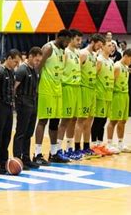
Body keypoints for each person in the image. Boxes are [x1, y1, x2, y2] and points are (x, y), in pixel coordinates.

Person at [33, 29, 72, 166]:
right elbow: (37, 67)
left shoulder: (62, 51)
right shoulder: (49, 48)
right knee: (43, 121)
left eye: (69, 41)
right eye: (66, 40)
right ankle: (37, 153)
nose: (67, 44)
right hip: (46, 89)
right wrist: (35, 87)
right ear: (59, 37)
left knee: (55, 122)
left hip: (57, 90)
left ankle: (54, 153)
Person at [0, 49, 22, 174]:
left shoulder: (12, 72)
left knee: (6, 136)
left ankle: (3, 162)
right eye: (15, 62)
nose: (16, 65)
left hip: (8, 107)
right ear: (9, 58)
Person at [75, 34, 105, 159]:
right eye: (99, 45)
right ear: (92, 42)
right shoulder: (83, 53)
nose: (100, 48)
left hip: (92, 90)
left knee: (89, 120)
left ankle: (86, 147)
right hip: (83, 89)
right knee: (81, 120)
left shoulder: (94, 56)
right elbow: (76, 70)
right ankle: (77, 148)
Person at [13, 47, 42, 170]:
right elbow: (14, 87)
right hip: (23, 103)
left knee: (29, 133)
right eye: (36, 60)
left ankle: (26, 158)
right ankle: (17, 158)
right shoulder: (22, 70)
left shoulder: (34, 70)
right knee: (21, 132)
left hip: (33, 103)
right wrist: (16, 103)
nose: (38, 62)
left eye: (39, 60)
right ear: (30, 57)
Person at [57, 29, 83, 162]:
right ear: (71, 39)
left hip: (76, 88)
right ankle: (58, 149)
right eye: (77, 39)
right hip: (67, 87)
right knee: (65, 120)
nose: (80, 42)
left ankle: (69, 148)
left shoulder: (77, 53)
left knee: (73, 119)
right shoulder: (65, 52)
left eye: (81, 40)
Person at [106, 49, 131, 154]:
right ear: (126, 56)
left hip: (125, 95)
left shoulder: (126, 67)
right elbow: (111, 82)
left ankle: (120, 143)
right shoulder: (117, 66)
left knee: (123, 120)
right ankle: (109, 144)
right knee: (113, 120)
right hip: (117, 95)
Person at [90, 39, 116, 155]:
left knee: (104, 120)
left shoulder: (110, 61)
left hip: (108, 95)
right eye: (109, 45)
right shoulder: (99, 60)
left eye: (113, 46)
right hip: (100, 94)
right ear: (103, 47)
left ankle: (101, 144)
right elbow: (94, 76)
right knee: (98, 120)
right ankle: (94, 144)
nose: (112, 48)